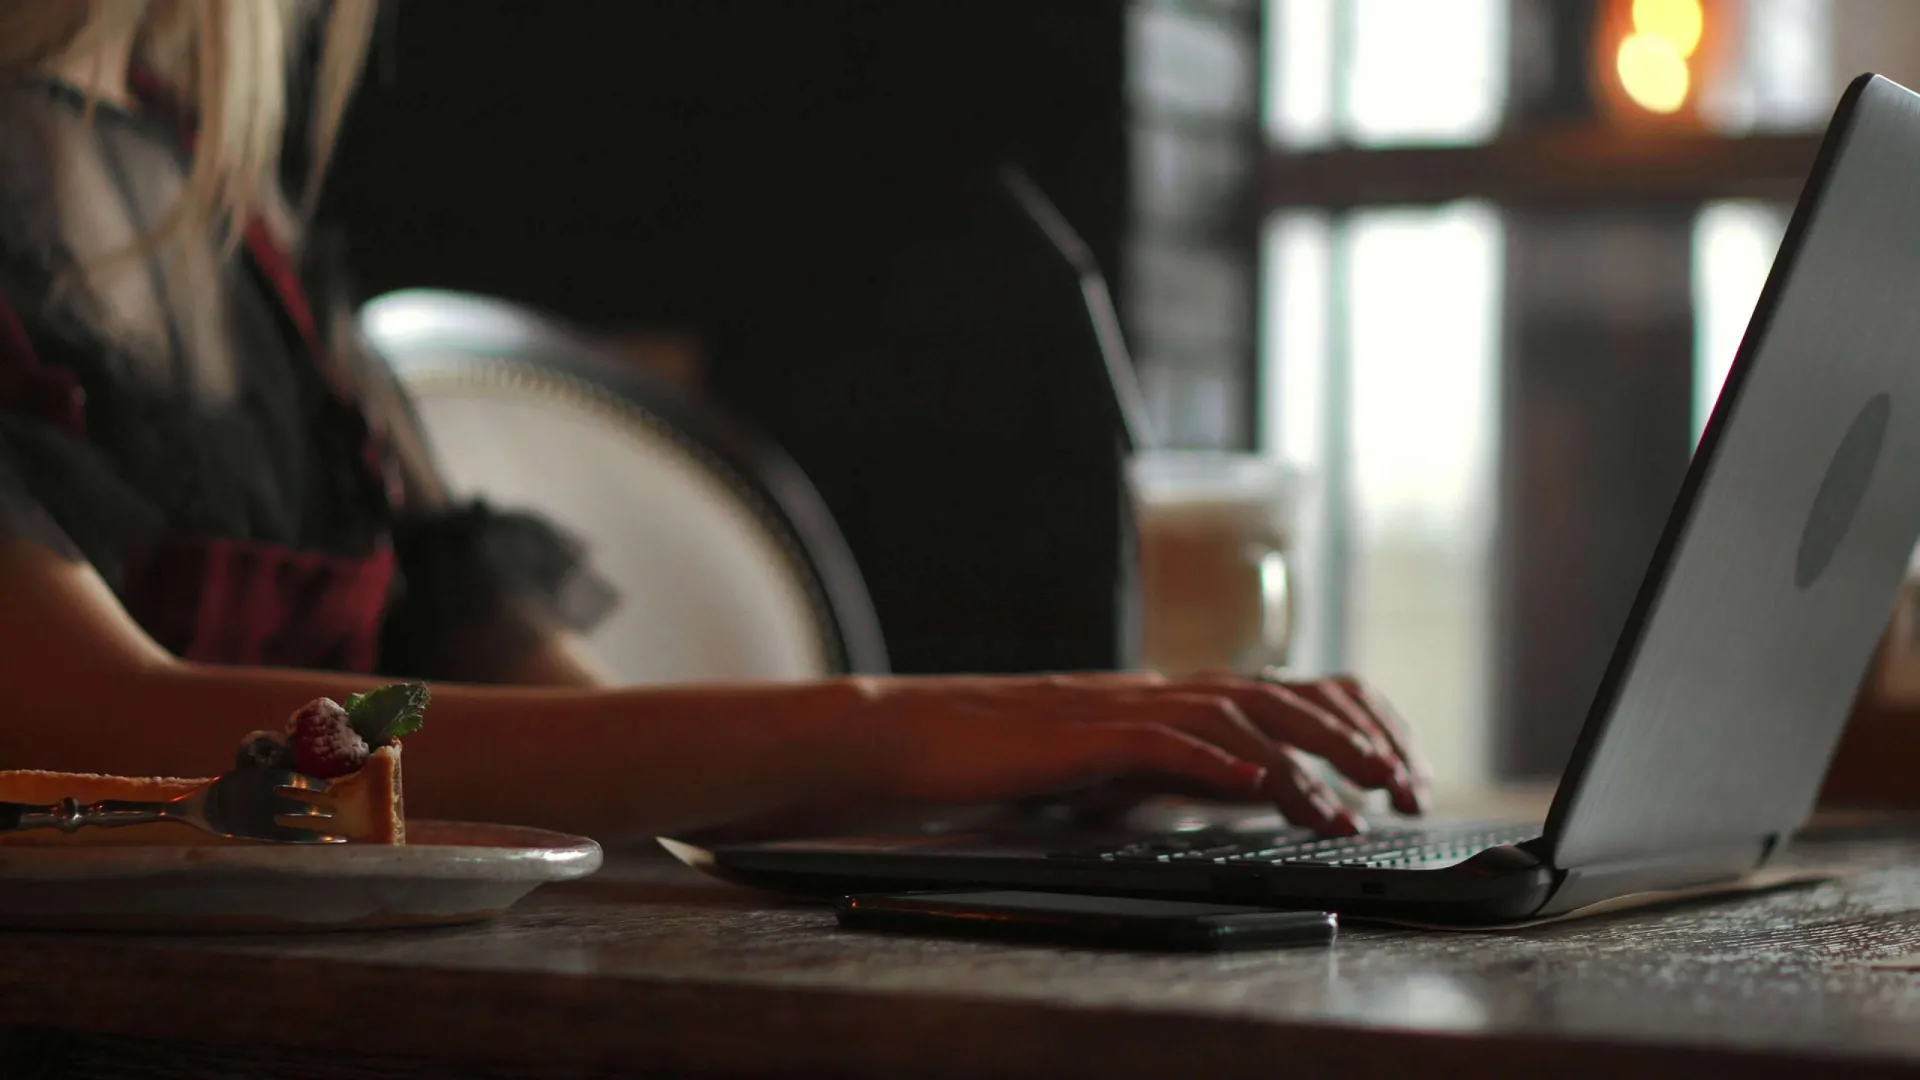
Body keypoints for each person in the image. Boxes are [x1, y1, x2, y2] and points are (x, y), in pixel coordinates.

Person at [0, 0, 1427, 845]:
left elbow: (572, 736)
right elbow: (118, 729)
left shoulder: (234, 213)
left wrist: (982, 787)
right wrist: (912, 726)